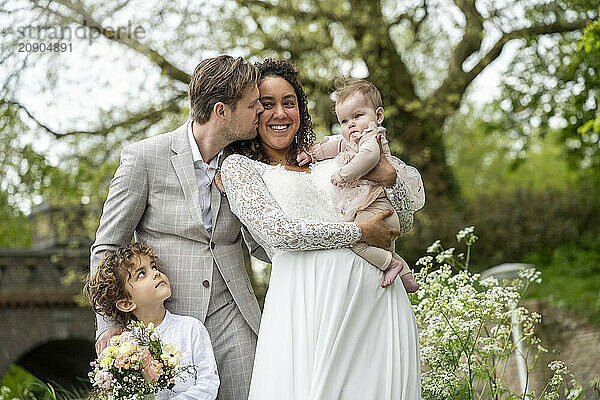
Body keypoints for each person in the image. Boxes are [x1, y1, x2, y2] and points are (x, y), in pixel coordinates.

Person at [90, 55, 405, 400]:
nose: (261, 113)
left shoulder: (241, 165)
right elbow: (108, 246)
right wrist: (111, 326)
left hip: (236, 318)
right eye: (255, 104)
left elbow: (261, 243)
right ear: (223, 112)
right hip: (165, 322)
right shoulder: (145, 158)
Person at [222, 58, 422, 399]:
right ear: (251, 111)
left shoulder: (334, 151)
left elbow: (403, 216)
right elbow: (280, 233)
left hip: (376, 296)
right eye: (266, 105)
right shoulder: (240, 168)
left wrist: (390, 178)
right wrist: (358, 233)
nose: (280, 113)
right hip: (307, 303)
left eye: (289, 102)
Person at [298, 77, 423, 289]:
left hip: (378, 204)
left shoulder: (370, 137)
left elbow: (369, 156)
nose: (351, 125)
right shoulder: (350, 140)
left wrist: (344, 175)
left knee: (355, 240)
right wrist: (312, 154)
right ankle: (406, 275)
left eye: (357, 116)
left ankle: (391, 265)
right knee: (382, 244)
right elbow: (333, 146)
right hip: (374, 206)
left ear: (378, 116)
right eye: (344, 121)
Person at [83, 243, 220, 399]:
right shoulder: (121, 348)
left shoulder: (191, 329)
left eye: (154, 267)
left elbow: (209, 383)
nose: (156, 273)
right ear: (127, 303)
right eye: (141, 274)